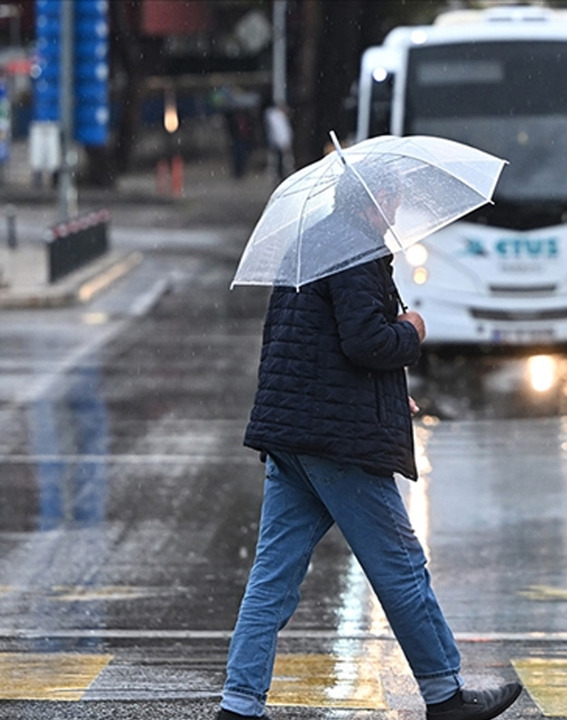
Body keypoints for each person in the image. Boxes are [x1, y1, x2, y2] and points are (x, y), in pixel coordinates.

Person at [215, 166, 524, 720]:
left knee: (273, 578)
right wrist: (413, 330)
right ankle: (445, 696)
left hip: (294, 435)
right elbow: (365, 341)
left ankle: (239, 705)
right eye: (396, 194)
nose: (401, 205)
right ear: (375, 196)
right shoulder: (356, 250)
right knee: (401, 566)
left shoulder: (310, 244)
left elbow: (304, 346)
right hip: (338, 445)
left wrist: (383, 394)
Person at [263, 102, 293, 181]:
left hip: (278, 142)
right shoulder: (276, 117)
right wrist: (283, 142)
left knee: (279, 160)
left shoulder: (278, 117)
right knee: (279, 160)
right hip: (278, 143)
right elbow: (280, 132)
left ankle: (279, 175)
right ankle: (279, 175)